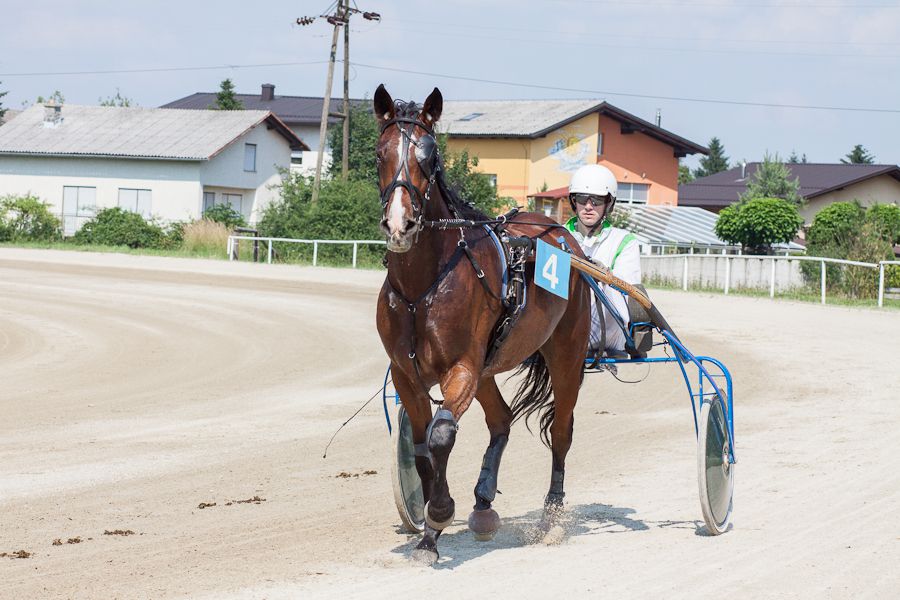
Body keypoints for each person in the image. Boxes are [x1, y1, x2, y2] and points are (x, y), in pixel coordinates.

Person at [564, 164, 641, 356]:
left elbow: (628, 291)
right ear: (574, 201)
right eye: (582, 199)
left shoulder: (624, 241)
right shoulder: (556, 237)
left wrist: (605, 273)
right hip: (561, 320)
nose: (589, 206)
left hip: (608, 327)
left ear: (609, 203)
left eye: (597, 200)